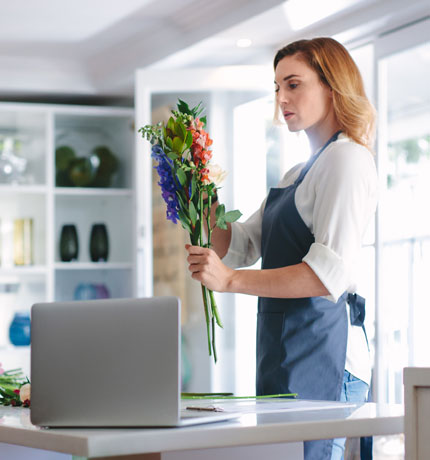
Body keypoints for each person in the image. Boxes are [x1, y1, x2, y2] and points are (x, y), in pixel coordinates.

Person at [185, 37, 377, 460]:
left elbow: (327, 273)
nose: (281, 99)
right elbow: (242, 244)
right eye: (277, 88)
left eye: (293, 85)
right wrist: (201, 200)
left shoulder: (347, 161)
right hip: (285, 349)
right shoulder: (299, 170)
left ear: (332, 86)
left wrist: (230, 281)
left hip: (324, 352)